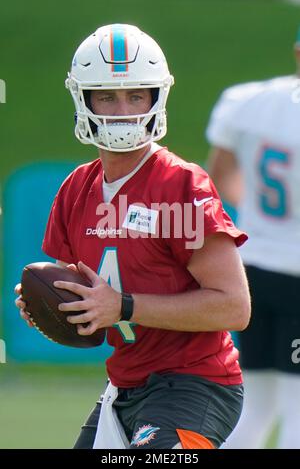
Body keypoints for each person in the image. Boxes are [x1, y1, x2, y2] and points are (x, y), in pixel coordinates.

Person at [15, 24, 250, 450]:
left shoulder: (181, 185)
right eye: (107, 95)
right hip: (125, 386)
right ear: (83, 99)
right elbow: (85, 293)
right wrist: (53, 305)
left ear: (156, 98)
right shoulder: (76, 188)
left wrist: (122, 306)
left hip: (196, 385)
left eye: (135, 95)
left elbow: (234, 307)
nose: (122, 109)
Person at [206, 28, 300, 449]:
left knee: (256, 407)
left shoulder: (247, 101)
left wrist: (262, 220)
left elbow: (219, 174)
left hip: (254, 269)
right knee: (297, 411)